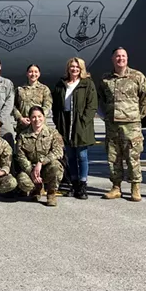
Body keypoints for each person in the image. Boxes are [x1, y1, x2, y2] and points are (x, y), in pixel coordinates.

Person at [98, 48, 146, 202]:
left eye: (123, 56)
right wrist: (107, 115)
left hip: (131, 124)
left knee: (133, 156)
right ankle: (116, 187)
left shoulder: (137, 76)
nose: (120, 59)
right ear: (112, 59)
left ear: (127, 59)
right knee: (113, 156)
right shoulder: (105, 79)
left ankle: (135, 187)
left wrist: (139, 114)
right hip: (112, 124)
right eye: (117, 56)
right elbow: (101, 98)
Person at [52, 57, 97, 200]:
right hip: (65, 122)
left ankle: (83, 185)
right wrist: (58, 121)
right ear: (68, 68)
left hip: (80, 123)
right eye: (72, 66)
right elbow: (56, 106)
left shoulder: (87, 84)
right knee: (70, 156)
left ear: (81, 69)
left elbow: (92, 105)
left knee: (82, 156)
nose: (74, 69)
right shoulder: (61, 84)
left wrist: (84, 121)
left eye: (77, 67)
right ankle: (74, 183)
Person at [16, 106, 65, 207]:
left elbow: (58, 152)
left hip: (46, 167)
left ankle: (51, 194)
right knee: (22, 180)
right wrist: (31, 171)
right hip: (31, 168)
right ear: (29, 118)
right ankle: (36, 189)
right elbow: (20, 156)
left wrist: (41, 162)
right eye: (33, 117)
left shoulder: (53, 133)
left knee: (57, 167)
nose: (37, 119)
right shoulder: (23, 135)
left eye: (39, 116)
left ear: (44, 117)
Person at [13, 64, 52, 136]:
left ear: (39, 74)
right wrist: (20, 118)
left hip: (39, 126)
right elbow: (13, 106)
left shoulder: (44, 89)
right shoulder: (20, 90)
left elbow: (48, 105)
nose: (33, 74)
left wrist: (37, 118)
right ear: (27, 74)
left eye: (36, 72)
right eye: (31, 72)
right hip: (23, 126)